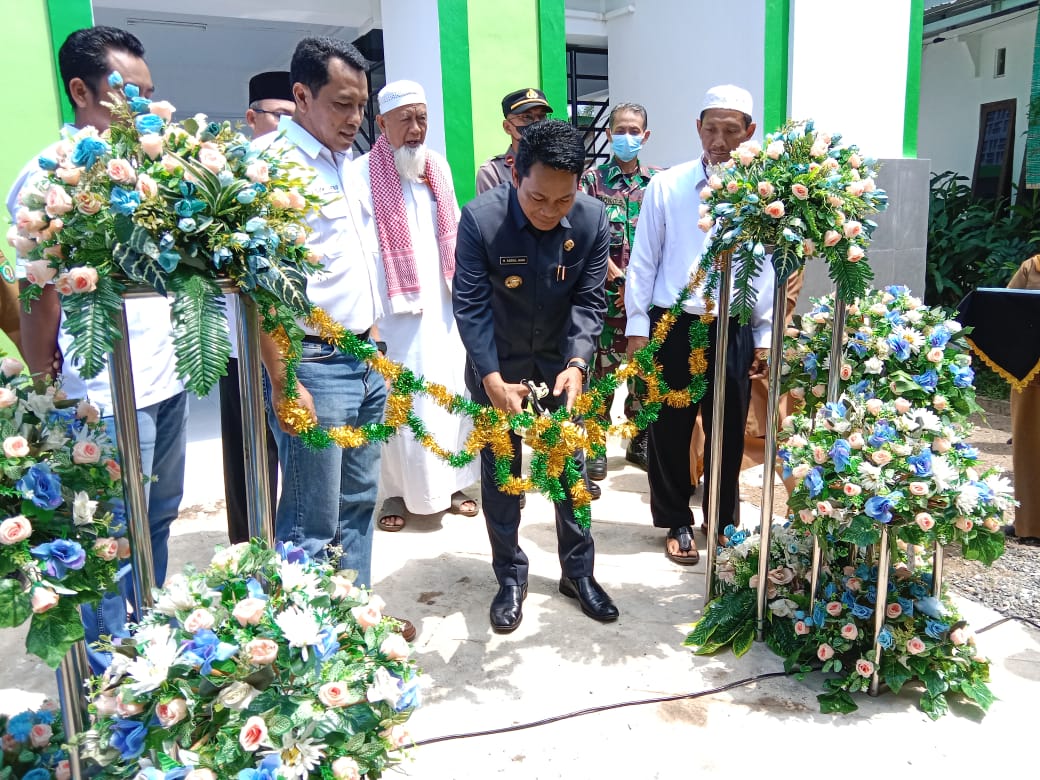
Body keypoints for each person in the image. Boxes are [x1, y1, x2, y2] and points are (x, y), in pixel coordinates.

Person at [7, 25, 188, 670]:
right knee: (109, 535)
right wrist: (42, 384)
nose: (140, 110)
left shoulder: (153, 171)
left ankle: (149, 647)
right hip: (101, 399)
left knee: (159, 516)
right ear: (81, 90)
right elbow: (37, 290)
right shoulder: (47, 177)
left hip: (165, 381)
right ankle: (110, 671)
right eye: (124, 94)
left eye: (147, 95)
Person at [453, 119, 618, 633]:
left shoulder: (592, 221)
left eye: (562, 201)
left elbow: (590, 302)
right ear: (515, 175)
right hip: (495, 368)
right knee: (502, 476)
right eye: (537, 199)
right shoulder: (481, 221)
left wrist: (577, 363)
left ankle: (578, 574)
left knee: (570, 474)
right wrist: (491, 378)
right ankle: (510, 576)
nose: (550, 212)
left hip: (559, 369)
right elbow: (471, 305)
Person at [624, 84, 774, 566]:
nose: (720, 141)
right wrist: (637, 327)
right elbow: (644, 260)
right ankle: (675, 521)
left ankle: (723, 520)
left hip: (730, 326)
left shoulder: (761, 195)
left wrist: (764, 334)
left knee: (728, 428)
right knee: (669, 427)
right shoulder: (667, 186)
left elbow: (768, 266)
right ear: (697, 129)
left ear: (749, 132)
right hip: (674, 324)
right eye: (711, 129)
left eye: (732, 131)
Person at [260, 37, 389, 589]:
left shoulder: (350, 166)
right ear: (301, 96)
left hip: (363, 360)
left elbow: (358, 262)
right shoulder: (271, 169)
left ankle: (354, 624)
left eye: (362, 105)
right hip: (312, 364)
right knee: (310, 521)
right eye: (342, 103)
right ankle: (308, 648)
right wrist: (285, 378)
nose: (355, 117)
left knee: (359, 503)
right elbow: (259, 288)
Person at [354, 79, 479, 532]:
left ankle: (454, 484)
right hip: (392, 314)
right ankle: (396, 493)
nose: (415, 128)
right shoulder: (361, 174)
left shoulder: (437, 169)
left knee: (451, 396)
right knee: (400, 402)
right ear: (382, 123)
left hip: (444, 308)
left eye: (422, 118)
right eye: (404, 119)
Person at [218, 71, 293, 545]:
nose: (287, 128)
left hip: (303, 345)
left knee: (304, 455)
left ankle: (297, 557)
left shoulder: (307, 175)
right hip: (243, 344)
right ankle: (250, 549)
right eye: (279, 116)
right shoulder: (227, 177)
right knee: (249, 453)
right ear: (252, 118)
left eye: (295, 117)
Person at [579, 102, 660, 477]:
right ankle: (595, 444)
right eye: (620, 130)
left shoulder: (657, 184)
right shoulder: (592, 182)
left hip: (645, 301)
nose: (627, 137)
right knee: (602, 373)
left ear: (645, 136)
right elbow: (584, 234)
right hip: (607, 298)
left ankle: (639, 439)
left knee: (646, 372)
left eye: (634, 131)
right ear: (609, 135)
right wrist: (613, 270)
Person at [1007, 254, 1040, 543]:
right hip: (1031, 376)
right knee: (1028, 447)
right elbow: (1004, 309)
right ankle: (1029, 524)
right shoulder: (1033, 267)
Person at [475, 88, 552, 195]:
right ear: (507, 127)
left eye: (542, 116)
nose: (537, 123)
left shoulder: (560, 164)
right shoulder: (493, 172)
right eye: (526, 117)